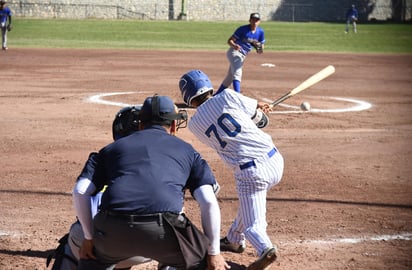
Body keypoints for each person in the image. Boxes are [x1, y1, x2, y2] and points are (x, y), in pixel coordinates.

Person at [73, 95, 230, 270]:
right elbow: (208, 201)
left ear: (140, 125)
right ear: (172, 126)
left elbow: (80, 191)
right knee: (203, 259)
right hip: (163, 232)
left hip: (113, 229)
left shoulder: (111, 149)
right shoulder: (188, 151)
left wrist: (89, 238)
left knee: (91, 258)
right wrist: (214, 253)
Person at [179, 70, 284, 270]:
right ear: (208, 85)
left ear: (188, 98)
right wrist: (261, 112)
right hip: (275, 160)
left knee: (255, 225)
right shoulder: (228, 95)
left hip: (252, 174)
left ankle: (266, 249)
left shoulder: (195, 125)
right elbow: (260, 122)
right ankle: (235, 239)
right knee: (250, 203)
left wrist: (256, 113)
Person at [47, 105, 151, 270]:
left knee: (73, 240)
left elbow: (81, 192)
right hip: (152, 246)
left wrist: (88, 237)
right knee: (178, 243)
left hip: (102, 244)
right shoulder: (168, 159)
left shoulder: (103, 158)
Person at [215, 12, 265, 94]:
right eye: (253, 20)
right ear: (250, 20)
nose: (255, 22)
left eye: (257, 20)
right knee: (237, 72)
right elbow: (229, 41)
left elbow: (261, 48)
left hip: (243, 55)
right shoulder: (243, 29)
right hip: (235, 52)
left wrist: (259, 47)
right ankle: (237, 95)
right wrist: (234, 45)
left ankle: (216, 95)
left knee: (230, 77)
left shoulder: (260, 32)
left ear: (259, 21)